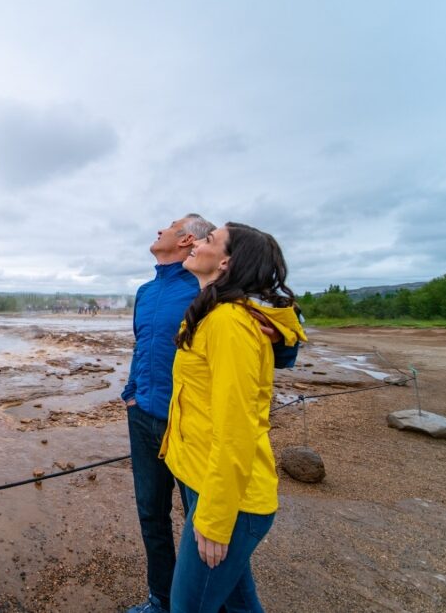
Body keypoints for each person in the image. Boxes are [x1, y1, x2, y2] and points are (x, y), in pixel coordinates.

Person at [162, 223, 306, 613]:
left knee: (187, 607)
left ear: (226, 261)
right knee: (240, 603)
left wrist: (214, 517)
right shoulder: (214, 312)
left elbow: (237, 427)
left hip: (230, 497)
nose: (196, 242)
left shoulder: (229, 323)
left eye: (208, 239)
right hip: (205, 478)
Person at [123, 214, 216, 613]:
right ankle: (161, 599)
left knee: (202, 520)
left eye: (170, 225)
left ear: (186, 239)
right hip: (142, 416)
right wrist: (131, 393)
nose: (159, 228)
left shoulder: (204, 288)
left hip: (188, 423)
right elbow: (142, 345)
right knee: (151, 514)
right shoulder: (145, 291)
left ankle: (204, 602)